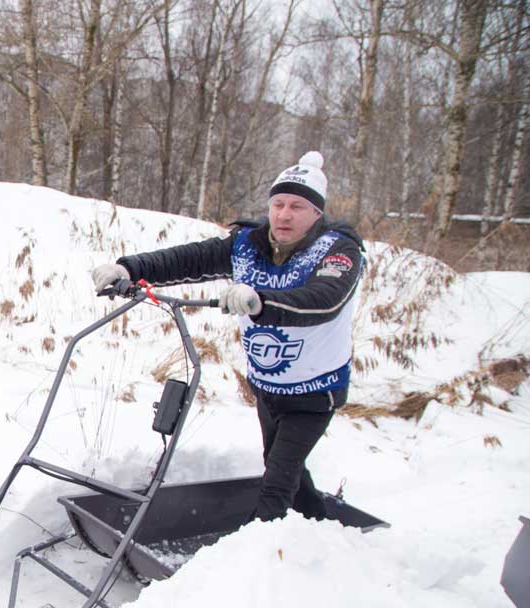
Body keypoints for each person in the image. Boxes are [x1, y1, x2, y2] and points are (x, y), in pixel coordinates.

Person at [90, 151, 365, 522]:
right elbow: (190, 259)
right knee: (284, 466)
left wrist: (260, 301)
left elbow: (324, 300)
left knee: (276, 485)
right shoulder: (249, 246)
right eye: (279, 204)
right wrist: (129, 268)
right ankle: (321, 527)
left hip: (315, 390)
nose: (284, 215)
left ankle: (259, 548)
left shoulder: (337, 251)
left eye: (297, 207)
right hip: (269, 387)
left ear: (316, 213)